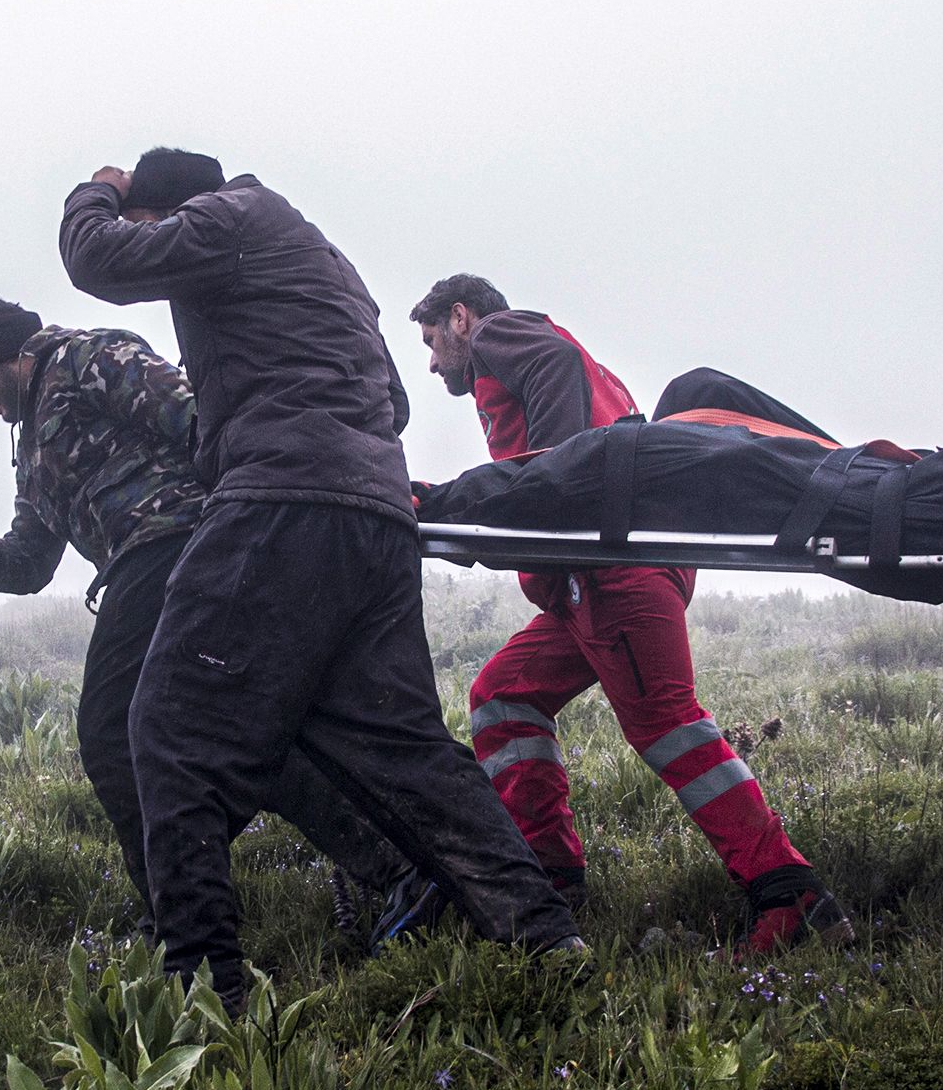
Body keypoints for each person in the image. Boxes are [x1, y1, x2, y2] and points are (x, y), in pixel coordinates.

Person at [57, 150, 584, 1008]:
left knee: (164, 730)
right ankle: (546, 935)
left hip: (279, 502)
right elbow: (396, 403)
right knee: (406, 748)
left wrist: (102, 192)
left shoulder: (225, 219)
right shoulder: (323, 260)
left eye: (157, 231)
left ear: (172, 210)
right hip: (372, 515)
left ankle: (204, 991)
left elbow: (98, 261)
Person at [0, 296, 438, 936]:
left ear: (8, 354)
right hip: (141, 565)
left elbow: (198, 418)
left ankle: (180, 916)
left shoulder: (89, 357)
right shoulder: (30, 449)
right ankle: (399, 869)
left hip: (181, 543)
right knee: (242, 733)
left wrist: (260, 516)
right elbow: (31, 562)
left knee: (111, 730)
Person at [408, 274, 852, 954]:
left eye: (433, 340)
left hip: (614, 573)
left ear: (462, 318)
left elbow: (559, 443)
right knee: (503, 696)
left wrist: (555, 480)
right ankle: (551, 877)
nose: (433, 361)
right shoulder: (555, 367)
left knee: (668, 727)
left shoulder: (504, 336)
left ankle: (790, 895)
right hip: (599, 577)